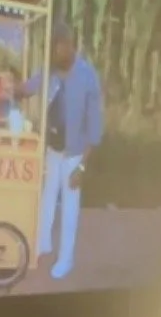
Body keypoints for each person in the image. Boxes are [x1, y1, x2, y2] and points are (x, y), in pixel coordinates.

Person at [20, 22, 104, 280]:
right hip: (52, 149)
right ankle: (43, 243)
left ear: (70, 46)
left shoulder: (88, 76)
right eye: (52, 50)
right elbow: (29, 88)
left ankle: (66, 259)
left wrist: (82, 166)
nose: (55, 55)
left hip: (74, 154)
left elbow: (95, 126)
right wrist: (10, 88)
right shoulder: (50, 71)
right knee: (47, 196)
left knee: (69, 206)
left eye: (58, 49)